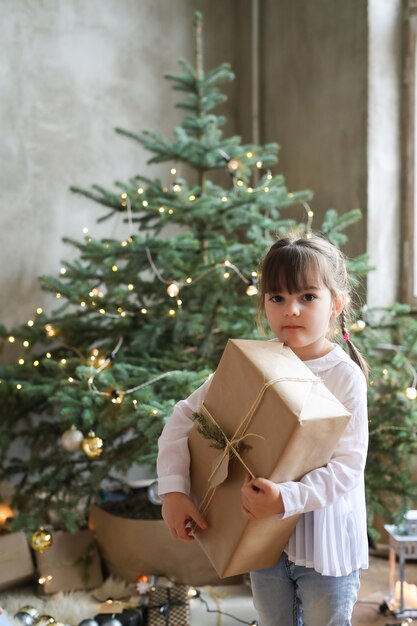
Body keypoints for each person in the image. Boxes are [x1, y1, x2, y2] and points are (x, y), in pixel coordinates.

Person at [157, 232, 369, 626]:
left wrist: (286, 498)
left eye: (307, 297)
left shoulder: (345, 377)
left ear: (335, 304)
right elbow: (185, 414)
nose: (291, 310)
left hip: (326, 550)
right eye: (278, 298)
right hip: (260, 542)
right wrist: (173, 489)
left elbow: (347, 468)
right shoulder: (256, 363)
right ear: (264, 303)